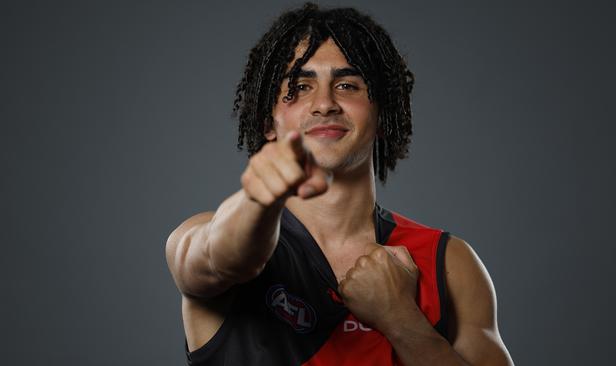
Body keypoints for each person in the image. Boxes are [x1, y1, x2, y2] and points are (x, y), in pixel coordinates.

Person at [165, 3, 514, 365]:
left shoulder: (448, 262)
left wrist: (400, 319)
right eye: (300, 87)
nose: (325, 104)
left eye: (347, 85)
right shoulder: (200, 236)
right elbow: (223, 257)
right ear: (267, 122)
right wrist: (258, 200)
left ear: (383, 116)